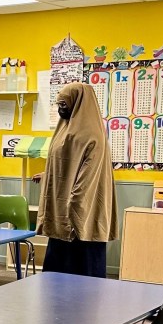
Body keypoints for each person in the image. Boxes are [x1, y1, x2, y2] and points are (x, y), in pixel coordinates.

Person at [32, 82, 118, 278]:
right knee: (56, 276)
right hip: (61, 212)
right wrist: (48, 175)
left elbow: (89, 175)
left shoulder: (92, 135)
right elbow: (65, 162)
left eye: (64, 104)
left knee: (83, 275)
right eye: (59, 104)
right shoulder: (63, 129)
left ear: (78, 103)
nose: (60, 109)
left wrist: (74, 205)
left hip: (81, 211)